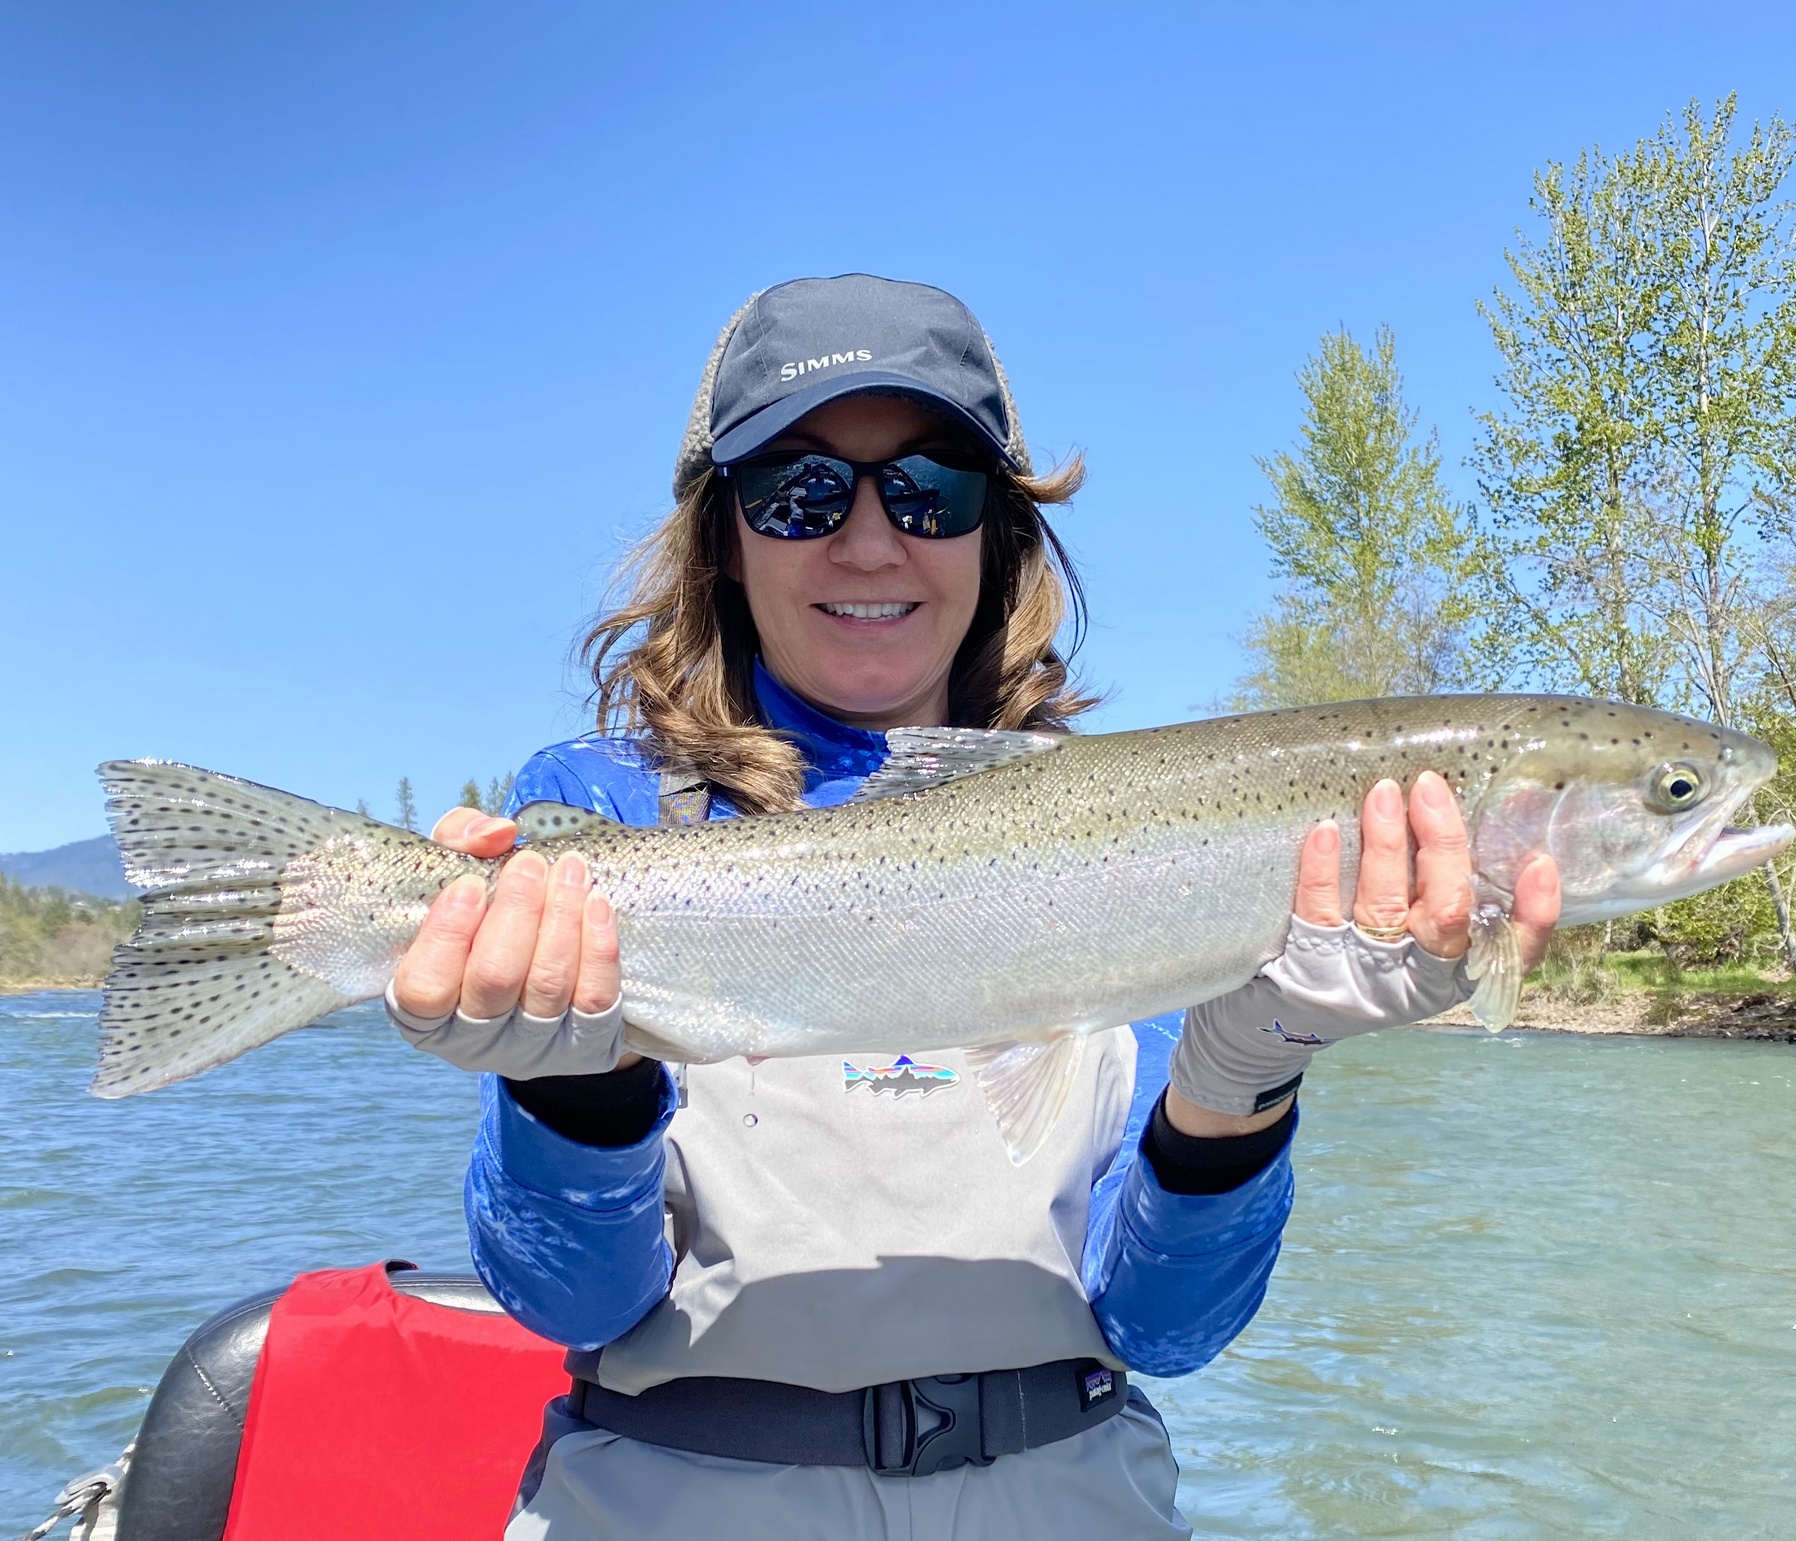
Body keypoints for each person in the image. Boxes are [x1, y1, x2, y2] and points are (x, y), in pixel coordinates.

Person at [385, 275, 1561, 1540]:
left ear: (998, 531)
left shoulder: (1145, 834)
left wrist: (1246, 1075)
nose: (872, 541)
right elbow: (569, 1303)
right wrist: (576, 1094)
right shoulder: (596, 813)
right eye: (801, 490)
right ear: (723, 534)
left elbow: (1165, 1327)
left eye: (930, 489)